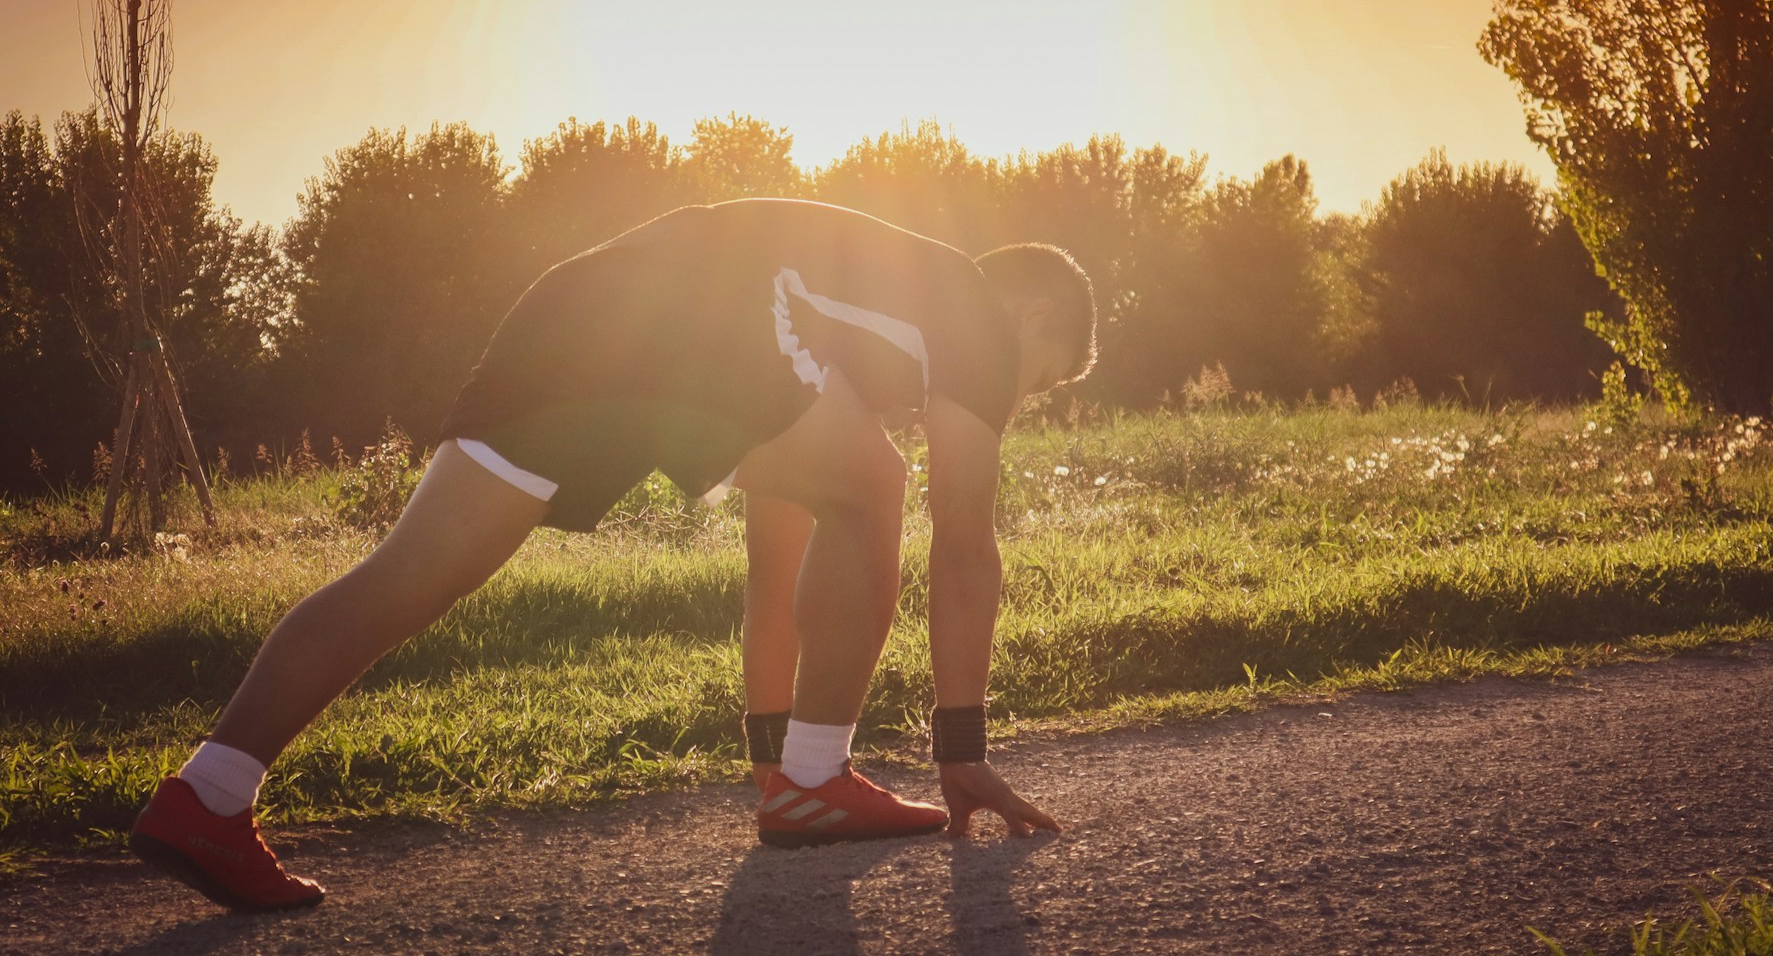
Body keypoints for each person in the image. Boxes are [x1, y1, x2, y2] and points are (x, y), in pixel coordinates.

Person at [128, 197, 1095, 910]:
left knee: (406, 576)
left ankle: (208, 793)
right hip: (694, 319)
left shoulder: (842, 328)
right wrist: (960, 752)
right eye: (1039, 383)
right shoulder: (974, 315)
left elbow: (778, 563)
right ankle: (816, 782)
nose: (1012, 403)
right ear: (1035, 319)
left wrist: (772, 760)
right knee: (879, 485)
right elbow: (964, 539)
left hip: (578, 308)